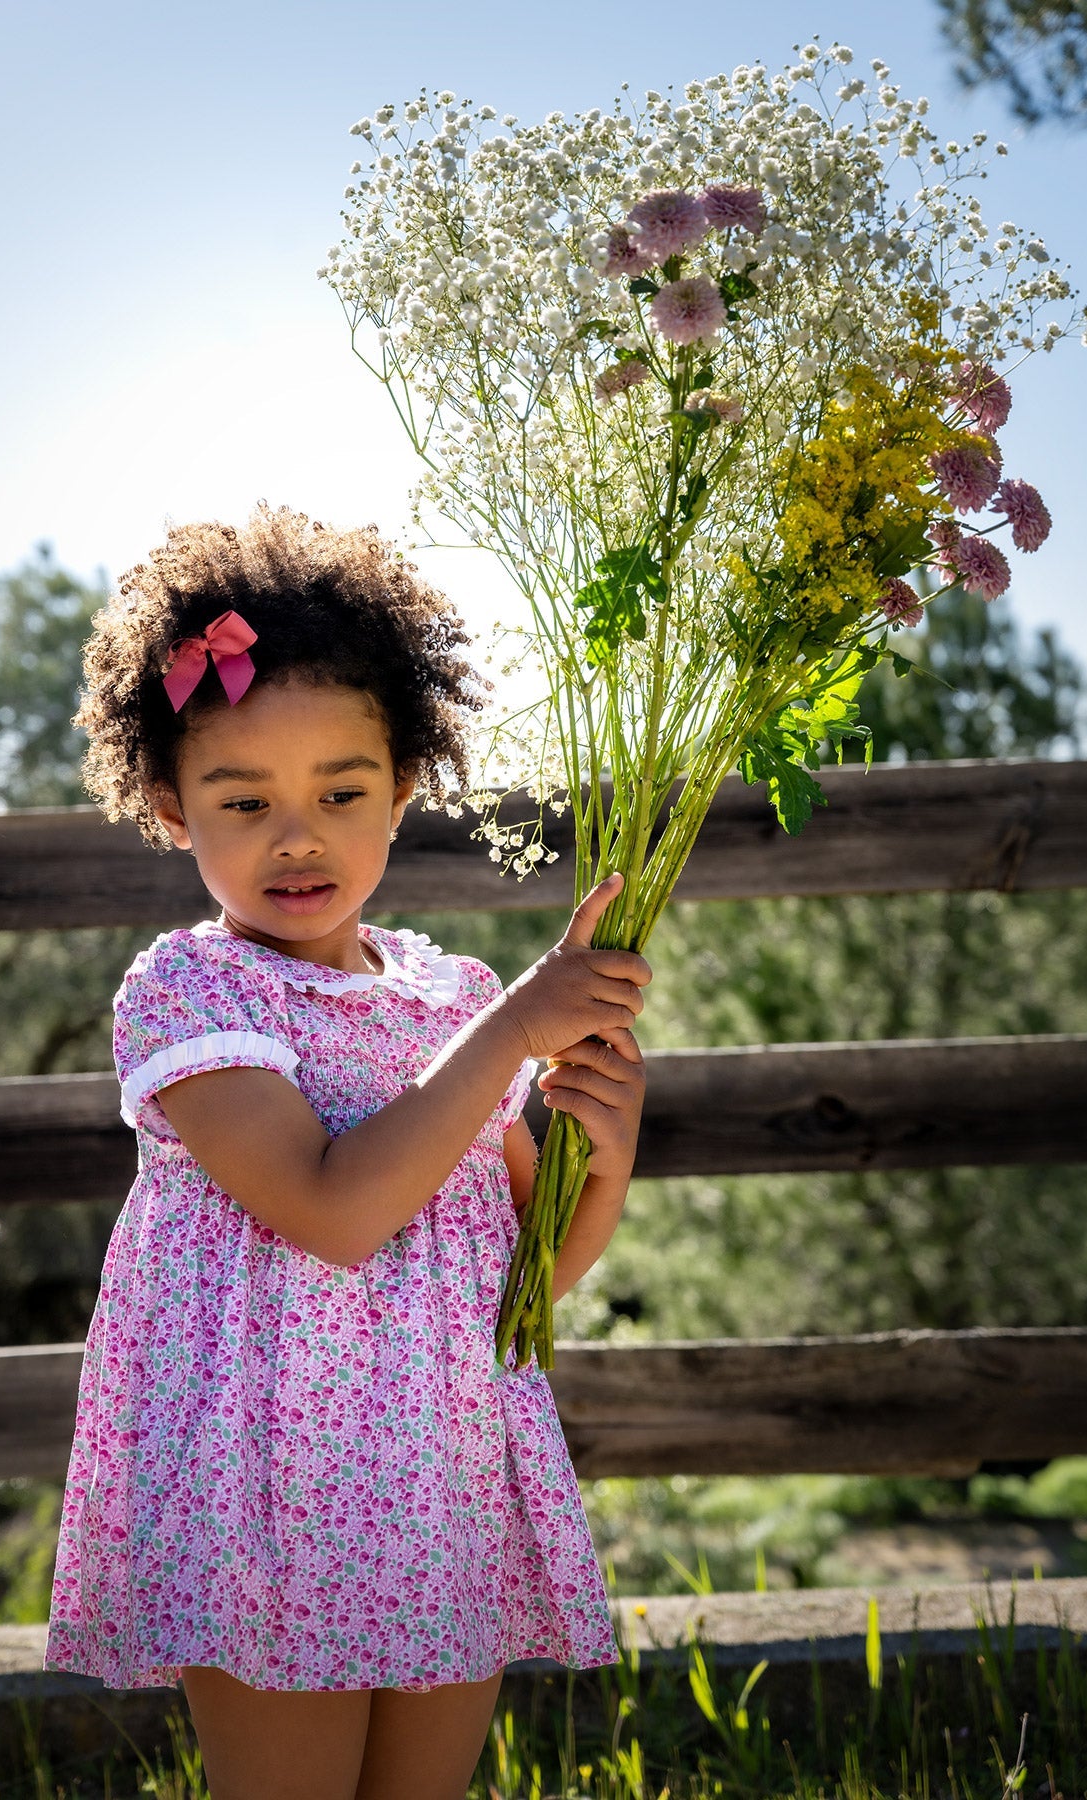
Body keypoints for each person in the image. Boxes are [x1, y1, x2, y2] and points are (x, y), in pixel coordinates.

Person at [43, 503, 651, 1800]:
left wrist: (608, 1141)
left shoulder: (451, 992)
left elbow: (532, 1275)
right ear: (169, 803)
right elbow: (332, 1210)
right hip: (265, 1492)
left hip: (441, 1474)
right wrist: (512, 1035)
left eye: (341, 791)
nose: (297, 836)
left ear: (405, 786)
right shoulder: (190, 997)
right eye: (243, 798)